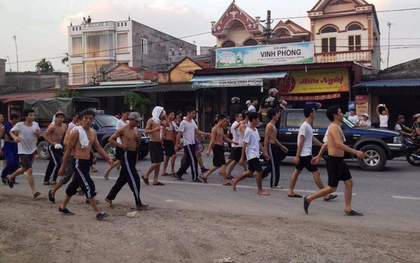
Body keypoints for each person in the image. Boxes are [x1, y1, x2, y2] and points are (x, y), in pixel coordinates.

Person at [303, 105, 367, 216]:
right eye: (340, 112)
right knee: (332, 188)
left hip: (339, 161)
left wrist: (318, 156)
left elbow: (326, 143)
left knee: (349, 182)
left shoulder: (337, 127)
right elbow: (338, 144)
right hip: (334, 161)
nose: (342, 114)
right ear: (335, 115)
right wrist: (356, 152)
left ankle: (348, 208)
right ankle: (308, 199)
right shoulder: (333, 127)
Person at [57, 110, 113, 220]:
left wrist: (108, 158)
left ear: (93, 120)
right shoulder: (76, 132)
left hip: (87, 162)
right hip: (78, 162)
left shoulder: (93, 132)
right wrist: (63, 167)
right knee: (88, 185)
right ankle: (97, 213)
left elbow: (98, 147)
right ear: (81, 119)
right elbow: (68, 150)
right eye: (86, 118)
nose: (88, 120)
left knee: (74, 185)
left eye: (90, 118)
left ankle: (62, 206)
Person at [287, 106, 337, 201]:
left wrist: (323, 146)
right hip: (305, 154)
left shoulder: (308, 126)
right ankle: (325, 194)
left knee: (297, 171)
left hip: (304, 153)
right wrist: (297, 156)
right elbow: (301, 141)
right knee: (316, 172)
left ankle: (290, 191)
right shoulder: (305, 126)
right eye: (314, 112)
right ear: (311, 114)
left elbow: (312, 138)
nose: (315, 114)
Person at [105, 112, 148, 210]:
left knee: (123, 179)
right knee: (135, 179)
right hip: (126, 154)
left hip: (133, 154)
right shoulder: (123, 129)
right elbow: (111, 139)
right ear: (131, 120)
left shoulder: (135, 130)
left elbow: (136, 144)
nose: (137, 123)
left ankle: (109, 197)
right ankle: (138, 203)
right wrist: (121, 146)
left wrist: (139, 139)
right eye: (136, 121)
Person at [232, 112, 270, 196]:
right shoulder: (248, 131)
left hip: (255, 153)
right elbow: (244, 145)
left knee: (250, 171)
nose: (258, 121)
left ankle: (235, 180)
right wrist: (242, 157)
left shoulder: (255, 130)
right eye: (257, 119)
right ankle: (260, 190)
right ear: (253, 120)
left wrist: (264, 152)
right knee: (259, 171)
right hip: (251, 154)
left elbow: (258, 142)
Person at [6, 109, 41, 198]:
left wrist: (38, 133)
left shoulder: (36, 124)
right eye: (30, 115)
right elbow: (11, 131)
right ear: (26, 117)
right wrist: (15, 137)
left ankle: (10, 177)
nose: (32, 117)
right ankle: (34, 191)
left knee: (24, 168)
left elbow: (38, 135)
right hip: (23, 150)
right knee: (29, 170)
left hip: (32, 149)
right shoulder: (20, 125)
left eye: (33, 115)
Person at [48, 114, 82, 203]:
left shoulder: (84, 130)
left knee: (82, 176)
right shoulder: (72, 130)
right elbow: (66, 143)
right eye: (83, 120)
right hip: (71, 156)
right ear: (78, 121)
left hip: (79, 157)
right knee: (66, 177)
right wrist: (64, 159)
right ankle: (52, 191)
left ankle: (87, 195)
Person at [175, 107, 210, 182]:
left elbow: (196, 131)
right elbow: (179, 134)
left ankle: (179, 173)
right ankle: (195, 177)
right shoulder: (183, 123)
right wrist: (177, 144)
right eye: (192, 113)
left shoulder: (193, 122)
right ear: (188, 113)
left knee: (189, 161)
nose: (194, 115)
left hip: (192, 143)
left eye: (194, 113)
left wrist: (205, 133)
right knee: (193, 160)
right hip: (187, 144)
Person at [200, 114, 237, 185]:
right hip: (217, 147)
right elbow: (212, 140)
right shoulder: (215, 129)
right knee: (223, 164)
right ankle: (225, 181)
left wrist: (233, 142)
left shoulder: (221, 128)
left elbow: (224, 138)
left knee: (216, 165)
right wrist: (208, 150)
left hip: (220, 147)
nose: (225, 123)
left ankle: (205, 175)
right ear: (220, 120)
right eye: (224, 121)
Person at [262, 109, 288, 189]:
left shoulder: (273, 125)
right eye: (277, 114)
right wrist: (265, 150)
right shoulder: (269, 125)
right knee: (274, 166)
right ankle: (274, 184)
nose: (278, 115)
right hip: (270, 146)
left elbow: (274, 138)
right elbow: (266, 138)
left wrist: (281, 146)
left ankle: (261, 174)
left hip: (274, 146)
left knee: (275, 165)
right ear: (273, 116)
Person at [104, 107, 132, 180]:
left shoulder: (128, 122)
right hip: (121, 143)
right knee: (120, 160)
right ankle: (107, 170)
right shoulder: (119, 122)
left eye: (129, 115)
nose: (128, 116)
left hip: (127, 144)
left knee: (122, 160)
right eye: (127, 114)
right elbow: (118, 133)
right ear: (123, 113)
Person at [142, 106, 166, 186]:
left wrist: (165, 117)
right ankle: (146, 174)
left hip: (158, 142)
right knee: (156, 162)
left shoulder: (159, 121)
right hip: (153, 143)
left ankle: (155, 179)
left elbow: (167, 125)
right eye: (161, 112)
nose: (162, 113)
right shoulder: (151, 120)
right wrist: (154, 130)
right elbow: (146, 131)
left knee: (159, 162)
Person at [43, 111, 67, 185]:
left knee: (52, 163)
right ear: (56, 118)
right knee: (57, 163)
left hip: (60, 146)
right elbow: (45, 135)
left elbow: (65, 135)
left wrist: (65, 145)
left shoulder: (64, 126)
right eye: (58, 117)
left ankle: (46, 180)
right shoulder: (52, 127)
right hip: (52, 147)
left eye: (61, 117)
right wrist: (52, 143)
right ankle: (53, 180)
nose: (60, 119)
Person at [225, 111, 247, 179]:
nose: (241, 118)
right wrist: (242, 122)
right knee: (234, 160)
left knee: (238, 159)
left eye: (242, 117)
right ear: (236, 117)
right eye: (240, 117)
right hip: (237, 144)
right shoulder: (235, 124)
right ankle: (226, 172)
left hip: (239, 144)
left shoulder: (240, 123)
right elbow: (235, 128)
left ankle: (247, 171)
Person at [1, 113, 19, 185]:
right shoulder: (5, 126)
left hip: (15, 145)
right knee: (10, 162)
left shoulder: (17, 126)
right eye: (16, 119)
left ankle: (11, 178)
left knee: (16, 163)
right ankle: (3, 175)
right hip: (8, 145)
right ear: (14, 119)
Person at [161, 110, 177, 176]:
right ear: (167, 115)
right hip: (167, 141)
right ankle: (171, 170)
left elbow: (174, 133)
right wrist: (161, 142)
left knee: (167, 157)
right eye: (171, 114)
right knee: (173, 155)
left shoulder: (172, 123)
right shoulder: (165, 123)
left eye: (173, 114)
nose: (173, 116)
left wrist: (177, 142)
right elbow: (163, 133)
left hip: (172, 141)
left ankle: (164, 171)